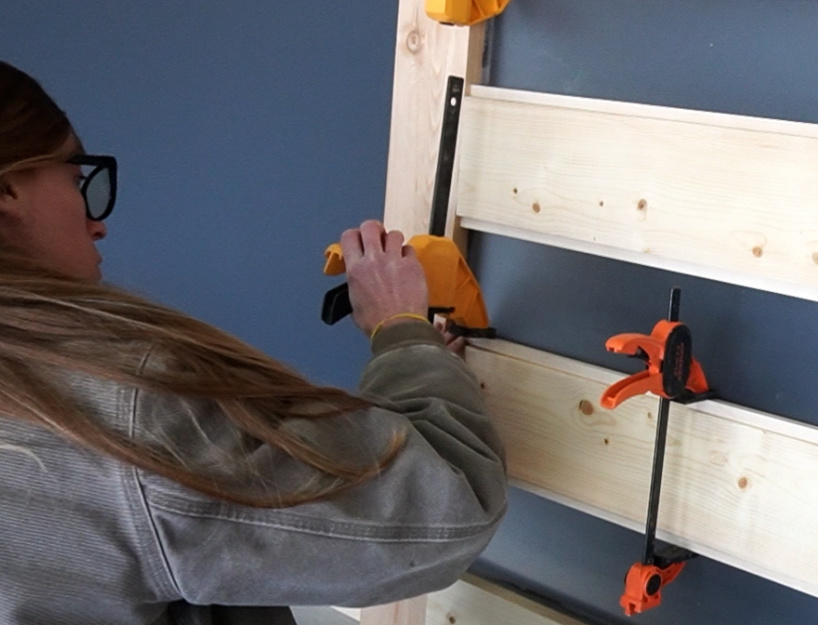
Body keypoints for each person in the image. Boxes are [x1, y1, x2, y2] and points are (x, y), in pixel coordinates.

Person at [0, 60, 507, 625]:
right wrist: (402, 332)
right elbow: (451, 513)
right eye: (77, 179)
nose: (97, 223)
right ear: (7, 189)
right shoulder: (122, 412)